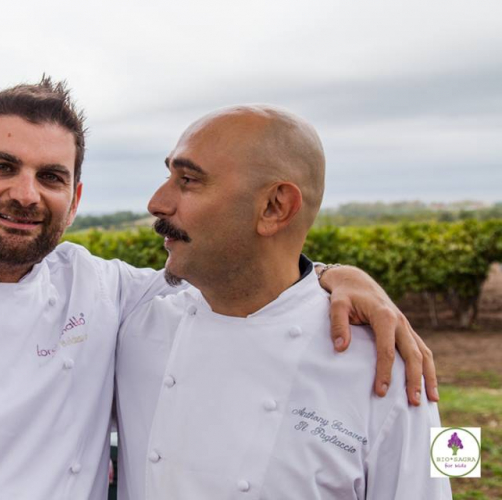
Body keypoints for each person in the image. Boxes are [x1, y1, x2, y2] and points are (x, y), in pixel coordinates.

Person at [0, 78, 435, 499]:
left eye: (51, 177)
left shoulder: (112, 295)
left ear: (75, 199)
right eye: (2, 166)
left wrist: (339, 277)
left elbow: (250, 289)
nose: (26, 194)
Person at [115, 105, 451, 498]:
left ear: (275, 208)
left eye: (188, 180)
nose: (156, 202)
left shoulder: (388, 368)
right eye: (168, 175)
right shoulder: (132, 320)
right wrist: (335, 270)